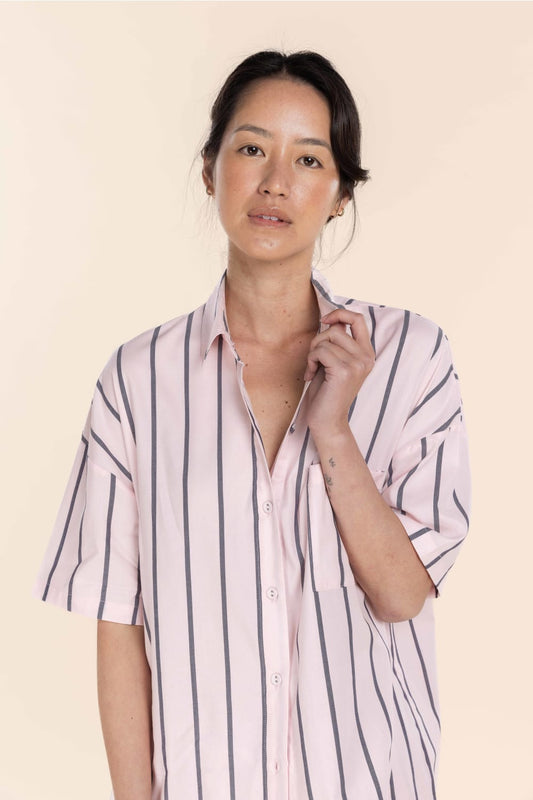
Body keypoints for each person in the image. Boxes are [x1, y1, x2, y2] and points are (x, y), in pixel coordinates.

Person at [34, 50, 471, 800]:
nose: (275, 181)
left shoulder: (411, 359)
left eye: (307, 158)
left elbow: (402, 595)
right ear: (210, 170)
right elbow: (118, 627)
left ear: (339, 193)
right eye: (250, 148)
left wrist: (333, 430)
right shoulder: (136, 384)